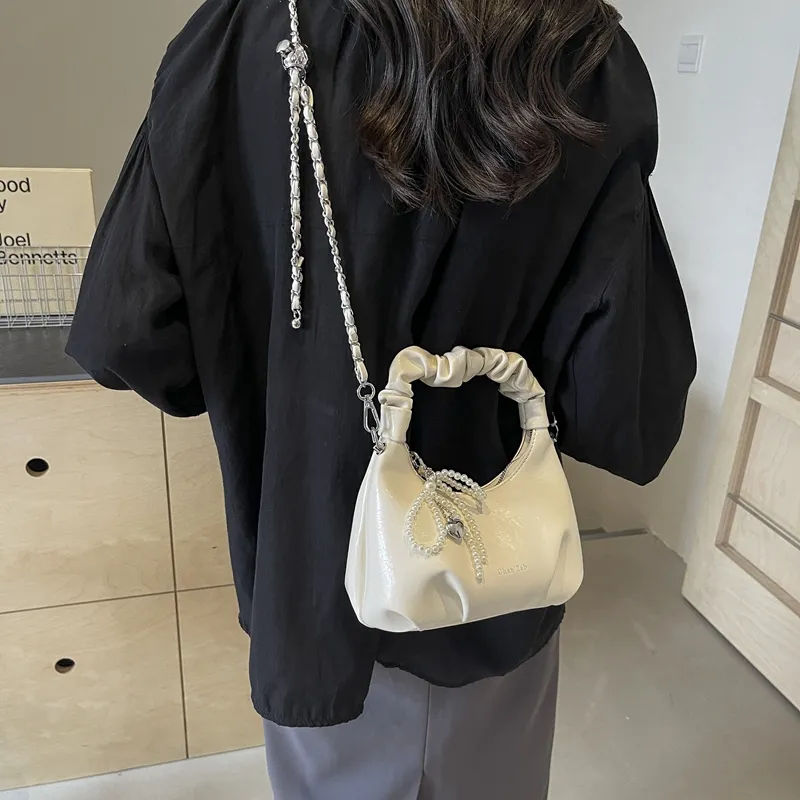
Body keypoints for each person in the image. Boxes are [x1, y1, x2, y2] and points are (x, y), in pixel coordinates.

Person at [66, 0, 696, 797]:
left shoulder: (238, 36)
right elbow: (622, 405)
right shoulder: (585, 53)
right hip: (489, 574)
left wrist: (283, 374)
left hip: (311, 580)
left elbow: (132, 338)